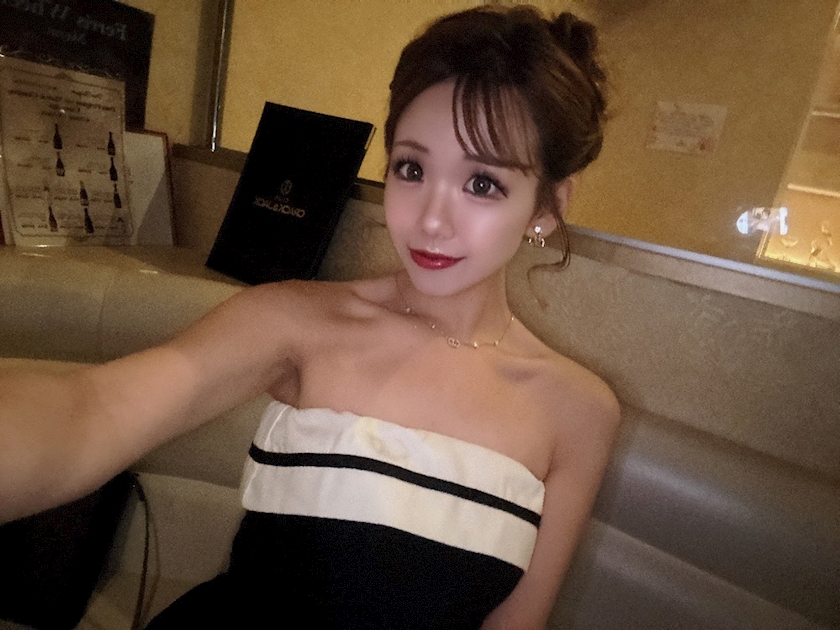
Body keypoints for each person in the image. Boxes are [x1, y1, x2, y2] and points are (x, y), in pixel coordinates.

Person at [0, 5, 619, 628]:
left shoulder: (578, 411)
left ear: (547, 206)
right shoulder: (296, 321)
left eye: (482, 183)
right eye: (412, 169)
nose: (432, 220)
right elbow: (95, 409)